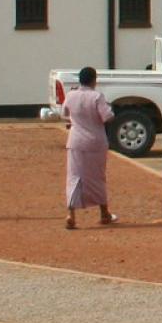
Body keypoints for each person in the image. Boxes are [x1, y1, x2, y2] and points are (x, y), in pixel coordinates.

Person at [60, 66, 117, 229]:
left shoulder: (71, 95)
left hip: (75, 141)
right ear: (94, 80)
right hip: (95, 142)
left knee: (74, 176)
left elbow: (64, 113)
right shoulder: (96, 96)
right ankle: (103, 212)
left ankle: (71, 214)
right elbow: (107, 117)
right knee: (97, 177)